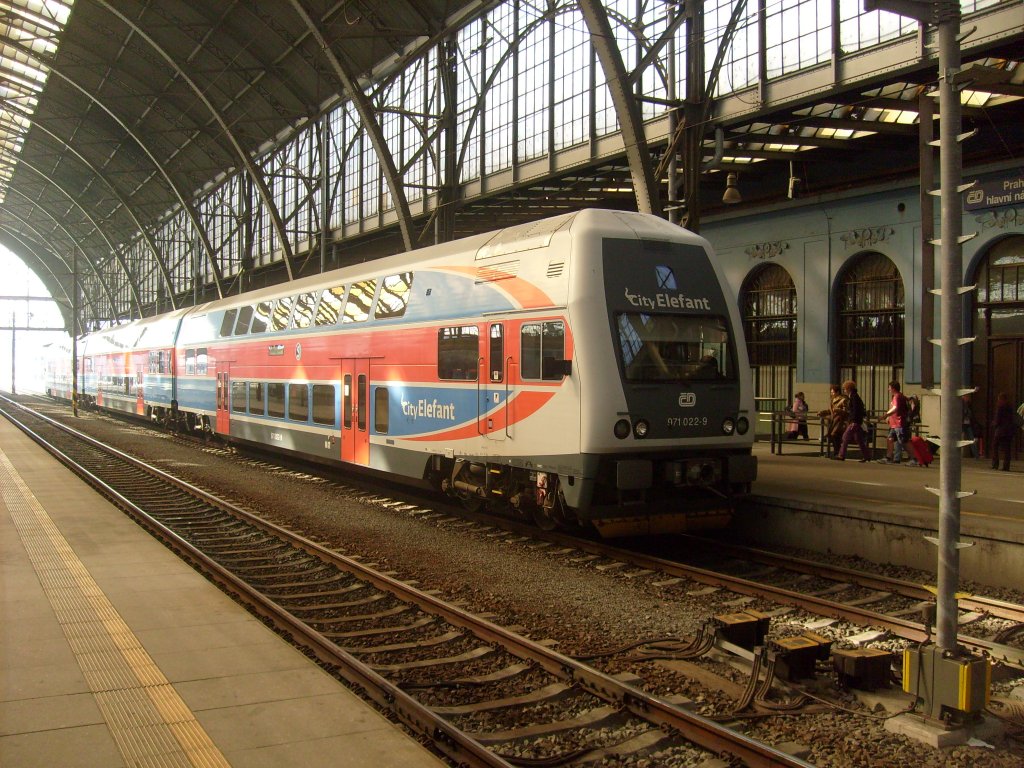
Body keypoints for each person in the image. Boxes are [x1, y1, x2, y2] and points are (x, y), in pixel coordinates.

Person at [835, 380, 870, 462]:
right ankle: (867, 456)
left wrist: (852, 420)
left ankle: (841, 455)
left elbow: (855, 410)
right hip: (857, 422)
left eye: (844, 389)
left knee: (845, 436)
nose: (844, 391)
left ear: (848, 389)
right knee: (859, 439)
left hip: (855, 422)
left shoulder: (854, 397)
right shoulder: (854, 397)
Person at [879, 380, 909, 465]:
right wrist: (889, 417)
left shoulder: (897, 397)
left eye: (889, 388)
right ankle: (891, 457)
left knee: (902, 441)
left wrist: (886, 415)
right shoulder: (898, 396)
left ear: (893, 388)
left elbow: (895, 408)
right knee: (891, 439)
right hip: (894, 423)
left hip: (898, 423)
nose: (888, 390)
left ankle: (908, 457)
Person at [819, 383, 849, 457]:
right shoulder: (833, 400)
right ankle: (837, 452)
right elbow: (831, 411)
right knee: (834, 436)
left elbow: (846, 411)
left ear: (837, 392)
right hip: (834, 421)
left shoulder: (843, 400)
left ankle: (837, 452)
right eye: (831, 392)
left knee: (835, 435)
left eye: (833, 392)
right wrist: (823, 412)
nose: (831, 394)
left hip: (840, 421)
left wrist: (838, 410)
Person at [990, 392, 1015, 471]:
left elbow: (998, 420)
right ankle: (1006, 466)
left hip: (1000, 431)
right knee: (1007, 450)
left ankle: (995, 464)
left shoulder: (1000, 407)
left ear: (1000, 399)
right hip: (1009, 431)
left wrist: (993, 423)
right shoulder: (1010, 408)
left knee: (995, 446)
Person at [961, 393, 978, 459]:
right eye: (967, 397)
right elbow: (963, 413)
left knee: (971, 438)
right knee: (959, 438)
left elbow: (970, 413)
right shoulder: (961, 404)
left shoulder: (968, 404)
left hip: (967, 423)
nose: (968, 398)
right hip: (962, 423)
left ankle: (976, 455)